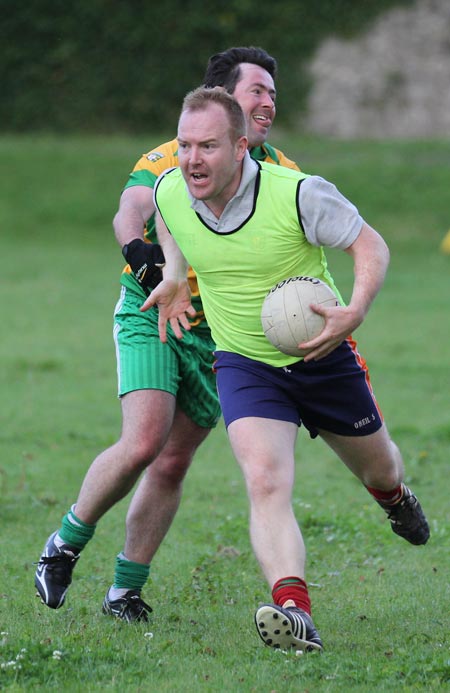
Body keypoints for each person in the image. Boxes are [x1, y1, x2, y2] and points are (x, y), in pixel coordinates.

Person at [143, 86, 430, 652]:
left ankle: (395, 498)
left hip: (323, 356)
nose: (192, 159)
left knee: (379, 469)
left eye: (207, 146)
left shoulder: (298, 194)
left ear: (241, 146)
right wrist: (174, 272)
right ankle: (294, 611)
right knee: (266, 480)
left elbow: (371, 246)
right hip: (245, 363)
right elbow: (167, 214)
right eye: (184, 145)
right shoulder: (172, 188)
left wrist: (356, 309)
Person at [34, 47, 301, 623]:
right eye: (257, 90)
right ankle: (64, 545)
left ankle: (124, 594)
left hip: (219, 333)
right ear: (226, 99)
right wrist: (150, 266)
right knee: (143, 442)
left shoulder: (281, 169)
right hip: (152, 310)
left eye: (273, 93)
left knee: (174, 461)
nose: (269, 101)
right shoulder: (171, 157)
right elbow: (129, 211)